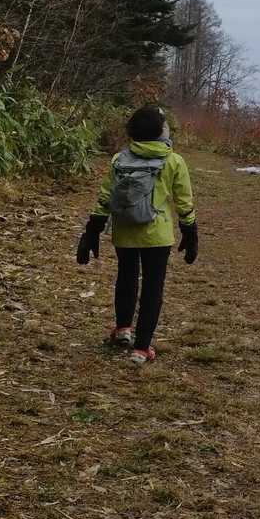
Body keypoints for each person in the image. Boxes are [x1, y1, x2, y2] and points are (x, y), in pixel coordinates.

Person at [76, 105, 197, 367]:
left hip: (125, 230)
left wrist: (92, 230)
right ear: (161, 131)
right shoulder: (174, 161)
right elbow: (183, 201)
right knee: (153, 287)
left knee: (126, 277)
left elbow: (105, 197)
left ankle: (122, 329)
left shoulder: (119, 160)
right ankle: (142, 348)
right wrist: (190, 230)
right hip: (158, 235)